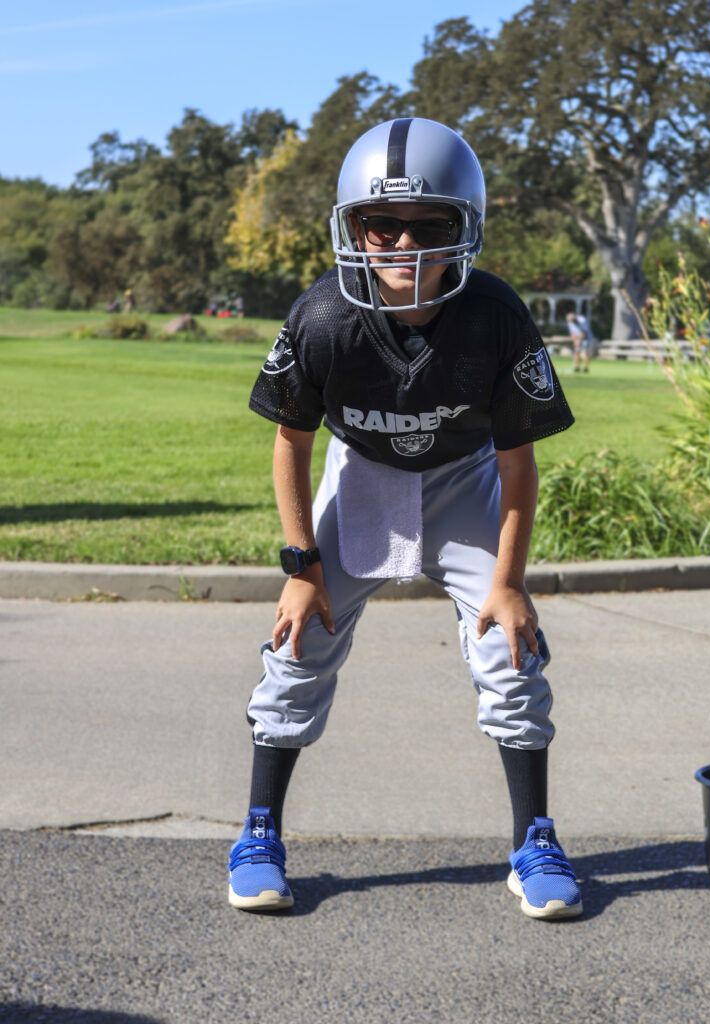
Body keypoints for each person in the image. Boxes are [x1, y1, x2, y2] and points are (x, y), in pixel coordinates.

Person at [228, 117, 583, 920]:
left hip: (462, 480)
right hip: (362, 475)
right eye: (378, 224)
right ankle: (258, 829)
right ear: (351, 227)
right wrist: (300, 567)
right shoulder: (322, 316)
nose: (400, 245)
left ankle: (534, 838)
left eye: (428, 227)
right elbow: (290, 443)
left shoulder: (494, 315)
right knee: (299, 640)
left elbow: (517, 460)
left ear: (467, 230)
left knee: (510, 649)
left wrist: (509, 583)